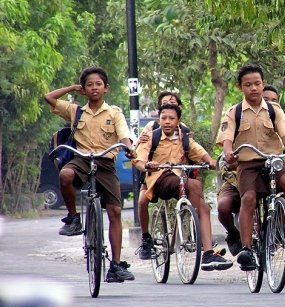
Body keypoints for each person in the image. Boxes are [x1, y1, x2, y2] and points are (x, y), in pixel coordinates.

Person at [44, 67, 137, 282]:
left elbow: (124, 135)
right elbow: (49, 97)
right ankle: (74, 219)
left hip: (105, 162)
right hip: (82, 160)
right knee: (65, 175)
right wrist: (72, 88)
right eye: (89, 85)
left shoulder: (114, 113)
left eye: (98, 84)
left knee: (114, 210)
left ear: (106, 88)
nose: (94, 88)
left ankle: (115, 265)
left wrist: (129, 147)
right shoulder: (76, 111)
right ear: (84, 90)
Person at [218, 64, 285, 271]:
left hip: (274, 159)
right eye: (248, 85)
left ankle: (280, 224)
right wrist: (229, 153)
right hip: (248, 164)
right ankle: (247, 248)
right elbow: (227, 139)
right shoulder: (234, 112)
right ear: (241, 88)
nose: (254, 88)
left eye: (257, 84)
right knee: (248, 198)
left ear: (263, 84)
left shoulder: (274, 110)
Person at [134, 103, 233, 271]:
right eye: (163, 118)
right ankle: (195, 226)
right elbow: (139, 159)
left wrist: (210, 161)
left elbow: (199, 151)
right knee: (193, 184)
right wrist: (146, 165)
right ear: (158, 119)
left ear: (178, 121)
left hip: (180, 180)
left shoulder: (185, 138)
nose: (167, 122)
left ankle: (207, 251)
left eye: (171, 118)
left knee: (204, 207)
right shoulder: (152, 137)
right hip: (159, 181)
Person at [215, 85, 282, 257]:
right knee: (225, 206)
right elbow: (226, 144)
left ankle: (276, 230)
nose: (270, 103)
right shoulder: (236, 114)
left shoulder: (277, 120)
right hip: (236, 177)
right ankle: (235, 234)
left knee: (284, 186)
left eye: (275, 101)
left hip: (265, 174)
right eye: (267, 100)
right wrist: (230, 155)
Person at [135, 91, 184, 260]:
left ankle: (193, 234)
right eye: (164, 103)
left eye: (172, 102)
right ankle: (146, 238)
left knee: (192, 196)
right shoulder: (151, 129)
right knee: (142, 201)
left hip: (178, 173)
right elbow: (138, 151)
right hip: (153, 174)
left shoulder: (184, 132)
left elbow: (192, 151)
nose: (168, 120)